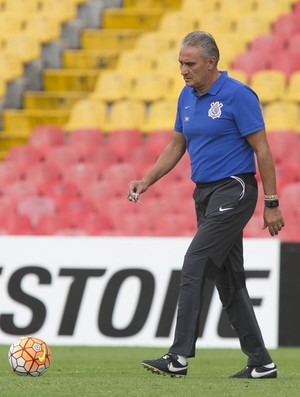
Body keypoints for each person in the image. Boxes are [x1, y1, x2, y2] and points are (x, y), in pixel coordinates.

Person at [127, 31, 285, 379]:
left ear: (211, 63)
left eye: (190, 64)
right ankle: (261, 363)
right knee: (229, 281)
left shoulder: (238, 95)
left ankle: (178, 356)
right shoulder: (186, 96)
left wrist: (271, 203)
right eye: (181, 63)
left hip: (235, 189)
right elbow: (175, 146)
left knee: (195, 262)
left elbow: (262, 149)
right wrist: (147, 180)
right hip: (205, 194)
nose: (183, 70)